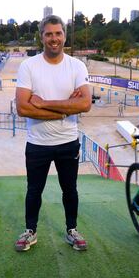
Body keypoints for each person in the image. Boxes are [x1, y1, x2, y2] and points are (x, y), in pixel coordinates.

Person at [14, 15, 91, 252]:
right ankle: (30, 231)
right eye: (49, 34)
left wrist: (43, 103)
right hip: (37, 142)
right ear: (42, 36)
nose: (54, 38)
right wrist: (63, 109)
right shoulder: (29, 66)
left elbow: (85, 104)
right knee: (33, 190)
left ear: (64, 36)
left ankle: (72, 230)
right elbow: (22, 107)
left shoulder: (77, 66)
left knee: (70, 189)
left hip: (68, 141)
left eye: (58, 33)